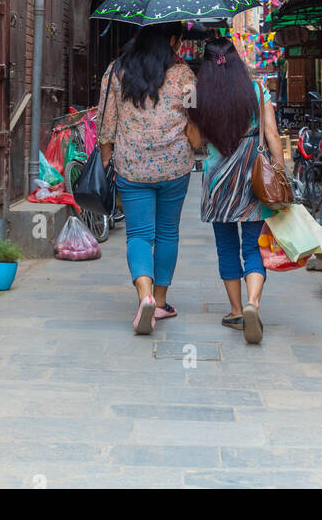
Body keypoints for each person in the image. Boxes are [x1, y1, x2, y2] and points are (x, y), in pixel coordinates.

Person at [185, 36, 284, 344]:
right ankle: (254, 303)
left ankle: (237, 310)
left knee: (226, 247)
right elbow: (272, 136)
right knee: (254, 247)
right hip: (253, 178)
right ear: (237, 59)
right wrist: (281, 174)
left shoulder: (195, 93)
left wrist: (191, 113)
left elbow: (195, 142)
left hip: (218, 182)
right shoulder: (256, 90)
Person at [98, 25, 196, 335]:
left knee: (139, 234)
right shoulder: (185, 75)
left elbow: (106, 122)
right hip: (175, 167)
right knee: (168, 233)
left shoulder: (116, 71)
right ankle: (162, 302)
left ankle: (145, 297)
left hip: (132, 166)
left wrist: (105, 160)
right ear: (171, 40)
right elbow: (195, 120)